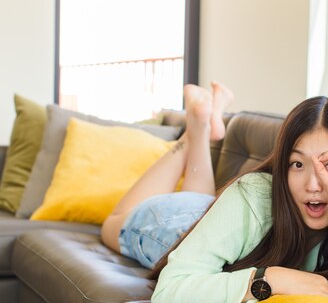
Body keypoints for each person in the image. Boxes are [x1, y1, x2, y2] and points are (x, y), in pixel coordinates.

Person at [150, 95, 328, 303]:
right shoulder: (252, 195)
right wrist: (272, 280)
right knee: (117, 218)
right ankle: (196, 128)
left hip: (214, 216)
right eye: (297, 164)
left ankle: (202, 123)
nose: (313, 185)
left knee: (199, 194)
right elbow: (169, 290)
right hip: (164, 225)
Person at [100, 81, 233, 269]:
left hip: (199, 211)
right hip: (188, 223)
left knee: (112, 223)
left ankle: (200, 124)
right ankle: (201, 122)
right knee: (112, 225)